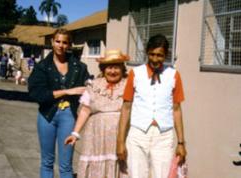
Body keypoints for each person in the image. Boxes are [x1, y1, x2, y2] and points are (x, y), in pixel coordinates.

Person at [116, 34, 187, 178]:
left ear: (165, 55)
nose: (155, 59)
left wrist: (181, 142)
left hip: (163, 135)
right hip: (138, 133)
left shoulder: (174, 75)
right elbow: (126, 108)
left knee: (161, 174)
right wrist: (120, 141)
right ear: (147, 52)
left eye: (160, 55)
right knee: (136, 174)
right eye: (152, 54)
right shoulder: (135, 74)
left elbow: (177, 109)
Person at [28, 28, 90, 178]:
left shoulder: (80, 67)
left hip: (69, 116)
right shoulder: (42, 66)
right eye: (57, 41)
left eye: (65, 42)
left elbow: (89, 90)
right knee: (47, 162)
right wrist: (68, 91)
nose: (61, 45)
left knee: (66, 165)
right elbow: (37, 94)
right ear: (52, 42)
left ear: (69, 45)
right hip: (47, 115)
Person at [65, 49, 130, 178]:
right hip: (95, 138)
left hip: (119, 138)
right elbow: (85, 110)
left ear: (122, 69)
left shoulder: (128, 85)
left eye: (116, 67)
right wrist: (75, 133)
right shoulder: (94, 85)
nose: (112, 71)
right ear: (103, 68)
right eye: (109, 67)